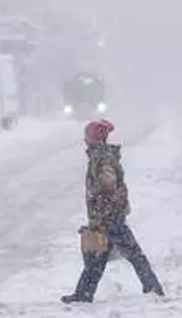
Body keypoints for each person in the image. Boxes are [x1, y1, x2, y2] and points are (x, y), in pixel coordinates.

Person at [61, 118, 164, 303]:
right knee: (97, 259)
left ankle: (153, 288)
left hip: (109, 218)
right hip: (107, 216)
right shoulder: (100, 156)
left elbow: (108, 184)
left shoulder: (102, 159)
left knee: (130, 255)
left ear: (94, 138)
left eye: (87, 136)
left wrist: (99, 208)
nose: (85, 140)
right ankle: (83, 294)